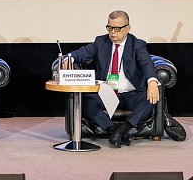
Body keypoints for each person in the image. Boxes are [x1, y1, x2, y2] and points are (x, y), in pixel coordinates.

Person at [63, 10, 159, 148]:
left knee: (150, 99)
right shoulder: (101, 41)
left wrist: (152, 81)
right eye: (109, 28)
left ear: (128, 28)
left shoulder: (137, 44)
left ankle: (123, 129)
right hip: (106, 93)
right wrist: (69, 59)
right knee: (85, 101)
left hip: (131, 93)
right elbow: (82, 53)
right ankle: (113, 130)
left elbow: (146, 63)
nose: (113, 32)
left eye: (117, 28)